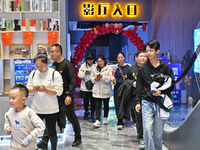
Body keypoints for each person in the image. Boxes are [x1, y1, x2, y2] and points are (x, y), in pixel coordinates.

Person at [37, 44, 82, 148]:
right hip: (55, 95)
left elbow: (72, 80)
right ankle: (45, 140)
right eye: (50, 52)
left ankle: (78, 137)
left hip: (65, 95)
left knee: (71, 117)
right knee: (51, 117)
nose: (51, 54)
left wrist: (70, 95)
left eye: (52, 52)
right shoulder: (53, 65)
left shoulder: (67, 64)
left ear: (59, 52)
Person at [135, 40, 175, 150]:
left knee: (158, 133)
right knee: (147, 130)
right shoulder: (143, 69)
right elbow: (139, 87)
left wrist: (162, 92)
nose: (148, 53)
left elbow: (172, 84)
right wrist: (138, 102)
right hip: (146, 102)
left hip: (160, 103)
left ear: (157, 51)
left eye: (151, 51)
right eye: (147, 51)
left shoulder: (165, 67)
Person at [27, 52, 63, 150]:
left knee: (51, 131)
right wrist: (34, 89)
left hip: (51, 109)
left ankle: (53, 148)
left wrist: (46, 90)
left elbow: (59, 91)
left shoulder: (54, 74)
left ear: (47, 62)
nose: (39, 68)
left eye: (41, 66)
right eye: (37, 66)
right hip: (36, 108)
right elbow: (28, 89)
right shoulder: (33, 73)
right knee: (34, 131)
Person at [4, 84, 45, 150]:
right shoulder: (10, 111)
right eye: (9, 98)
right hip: (14, 147)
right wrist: (7, 128)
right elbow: (7, 120)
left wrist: (28, 139)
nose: (11, 101)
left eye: (13, 98)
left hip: (29, 148)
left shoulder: (29, 113)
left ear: (23, 100)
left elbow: (41, 127)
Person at [126, 50, 147, 149]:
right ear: (136, 58)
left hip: (147, 96)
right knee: (138, 116)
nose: (143, 58)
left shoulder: (149, 68)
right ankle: (141, 136)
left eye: (144, 56)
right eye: (141, 56)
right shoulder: (131, 69)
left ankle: (146, 135)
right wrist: (132, 83)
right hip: (134, 96)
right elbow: (126, 81)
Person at [90, 55, 113, 127]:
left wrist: (102, 77)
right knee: (97, 105)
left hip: (105, 89)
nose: (99, 63)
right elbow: (91, 77)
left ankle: (105, 117)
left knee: (106, 105)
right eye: (98, 61)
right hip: (97, 89)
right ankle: (97, 119)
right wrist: (95, 79)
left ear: (104, 61)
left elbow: (110, 78)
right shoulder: (94, 69)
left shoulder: (108, 68)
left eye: (101, 61)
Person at [113, 52, 131, 130]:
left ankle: (126, 117)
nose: (120, 59)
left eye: (121, 57)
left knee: (127, 102)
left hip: (127, 87)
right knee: (118, 103)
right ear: (117, 59)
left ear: (124, 57)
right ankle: (119, 120)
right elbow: (113, 76)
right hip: (118, 86)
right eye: (118, 57)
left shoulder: (129, 66)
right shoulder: (115, 68)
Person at [78, 53, 96, 122]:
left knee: (93, 101)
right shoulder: (83, 66)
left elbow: (97, 74)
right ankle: (86, 112)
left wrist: (92, 73)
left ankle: (92, 114)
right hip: (85, 86)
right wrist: (85, 73)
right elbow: (79, 75)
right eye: (88, 60)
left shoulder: (95, 66)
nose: (90, 61)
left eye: (91, 60)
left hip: (93, 85)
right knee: (85, 101)